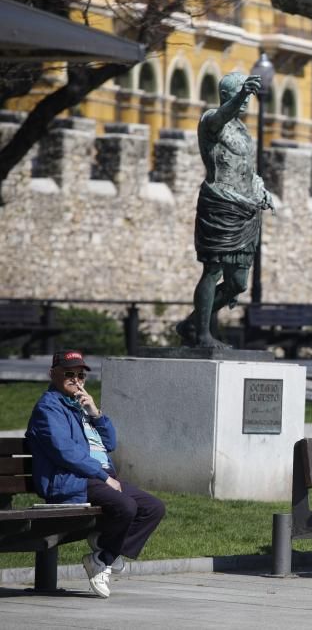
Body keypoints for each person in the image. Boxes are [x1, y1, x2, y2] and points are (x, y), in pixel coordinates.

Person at [25, 350, 166, 598]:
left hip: (96, 475)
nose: (76, 380)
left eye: (81, 375)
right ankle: (105, 555)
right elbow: (64, 452)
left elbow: (110, 443)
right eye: (69, 374)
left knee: (153, 507)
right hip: (71, 480)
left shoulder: (79, 405)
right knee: (126, 506)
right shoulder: (48, 409)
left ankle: (104, 554)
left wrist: (95, 412)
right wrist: (103, 477)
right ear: (52, 374)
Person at [176, 71, 273, 348]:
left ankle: (190, 323)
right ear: (226, 96)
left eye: (246, 95)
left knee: (239, 283)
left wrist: (260, 189)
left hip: (245, 209)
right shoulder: (211, 119)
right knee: (212, 269)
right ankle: (203, 334)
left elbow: (246, 168)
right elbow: (220, 118)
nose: (244, 101)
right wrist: (242, 94)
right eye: (237, 94)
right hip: (219, 203)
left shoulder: (242, 129)